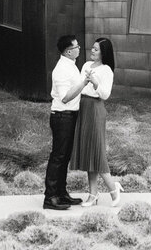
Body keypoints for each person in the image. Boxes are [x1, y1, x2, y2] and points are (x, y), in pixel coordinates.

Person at [72, 36, 121, 207]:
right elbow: (78, 85)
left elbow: (105, 94)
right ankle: (93, 195)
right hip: (83, 107)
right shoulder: (85, 66)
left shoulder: (106, 70)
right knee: (88, 152)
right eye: (92, 48)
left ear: (103, 53)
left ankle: (113, 188)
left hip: (95, 108)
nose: (92, 51)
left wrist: (94, 83)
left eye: (96, 49)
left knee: (97, 151)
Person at [44, 34, 84, 210]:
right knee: (58, 156)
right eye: (76, 47)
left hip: (70, 116)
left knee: (65, 156)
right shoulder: (61, 69)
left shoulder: (71, 66)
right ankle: (50, 197)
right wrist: (84, 83)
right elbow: (66, 97)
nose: (79, 49)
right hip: (62, 116)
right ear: (69, 51)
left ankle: (61, 193)